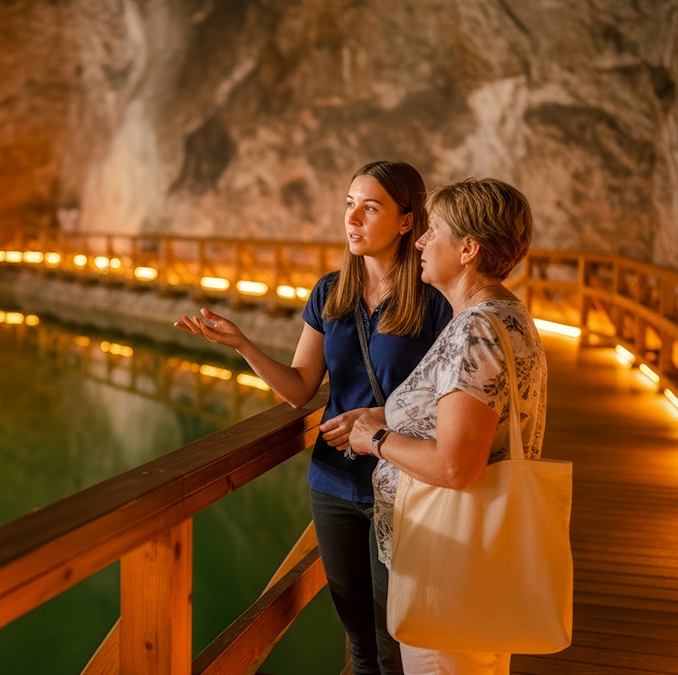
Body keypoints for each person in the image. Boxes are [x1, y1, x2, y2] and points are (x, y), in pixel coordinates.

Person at [175, 161, 452, 675]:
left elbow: (448, 398)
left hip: (402, 481)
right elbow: (300, 390)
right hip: (333, 483)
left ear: (407, 222)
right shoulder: (331, 293)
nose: (354, 218)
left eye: (371, 208)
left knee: (396, 638)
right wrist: (242, 344)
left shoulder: (433, 300)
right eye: (349, 205)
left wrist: (382, 417)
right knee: (360, 642)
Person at [348, 178, 548, 675]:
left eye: (431, 230)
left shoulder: (475, 330)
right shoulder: (509, 315)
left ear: (467, 249)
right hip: (481, 554)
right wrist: (392, 415)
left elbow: (456, 465)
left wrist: (374, 439)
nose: (418, 240)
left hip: (448, 560)